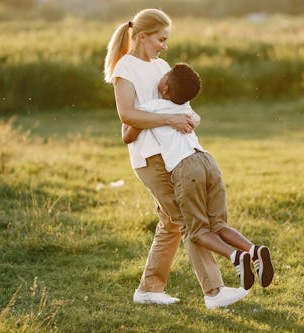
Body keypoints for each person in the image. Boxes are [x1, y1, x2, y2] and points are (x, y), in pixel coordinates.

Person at [104, 8, 249, 309]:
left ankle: (149, 289)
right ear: (142, 37)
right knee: (185, 219)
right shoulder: (125, 69)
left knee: (171, 222)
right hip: (148, 156)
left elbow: (177, 107)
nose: (164, 46)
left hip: (173, 155)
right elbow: (127, 116)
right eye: (161, 39)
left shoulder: (162, 66)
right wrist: (167, 121)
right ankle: (215, 292)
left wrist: (179, 120)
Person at [123, 63, 275, 293]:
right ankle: (254, 250)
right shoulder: (185, 106)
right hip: (207, 161)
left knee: (197, 230)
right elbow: (196, 119)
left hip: (186, 168)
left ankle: (236, 256)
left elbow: (128, 133)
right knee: (219, 225)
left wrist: (143, 118)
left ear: (164, 86)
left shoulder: (152, 106)